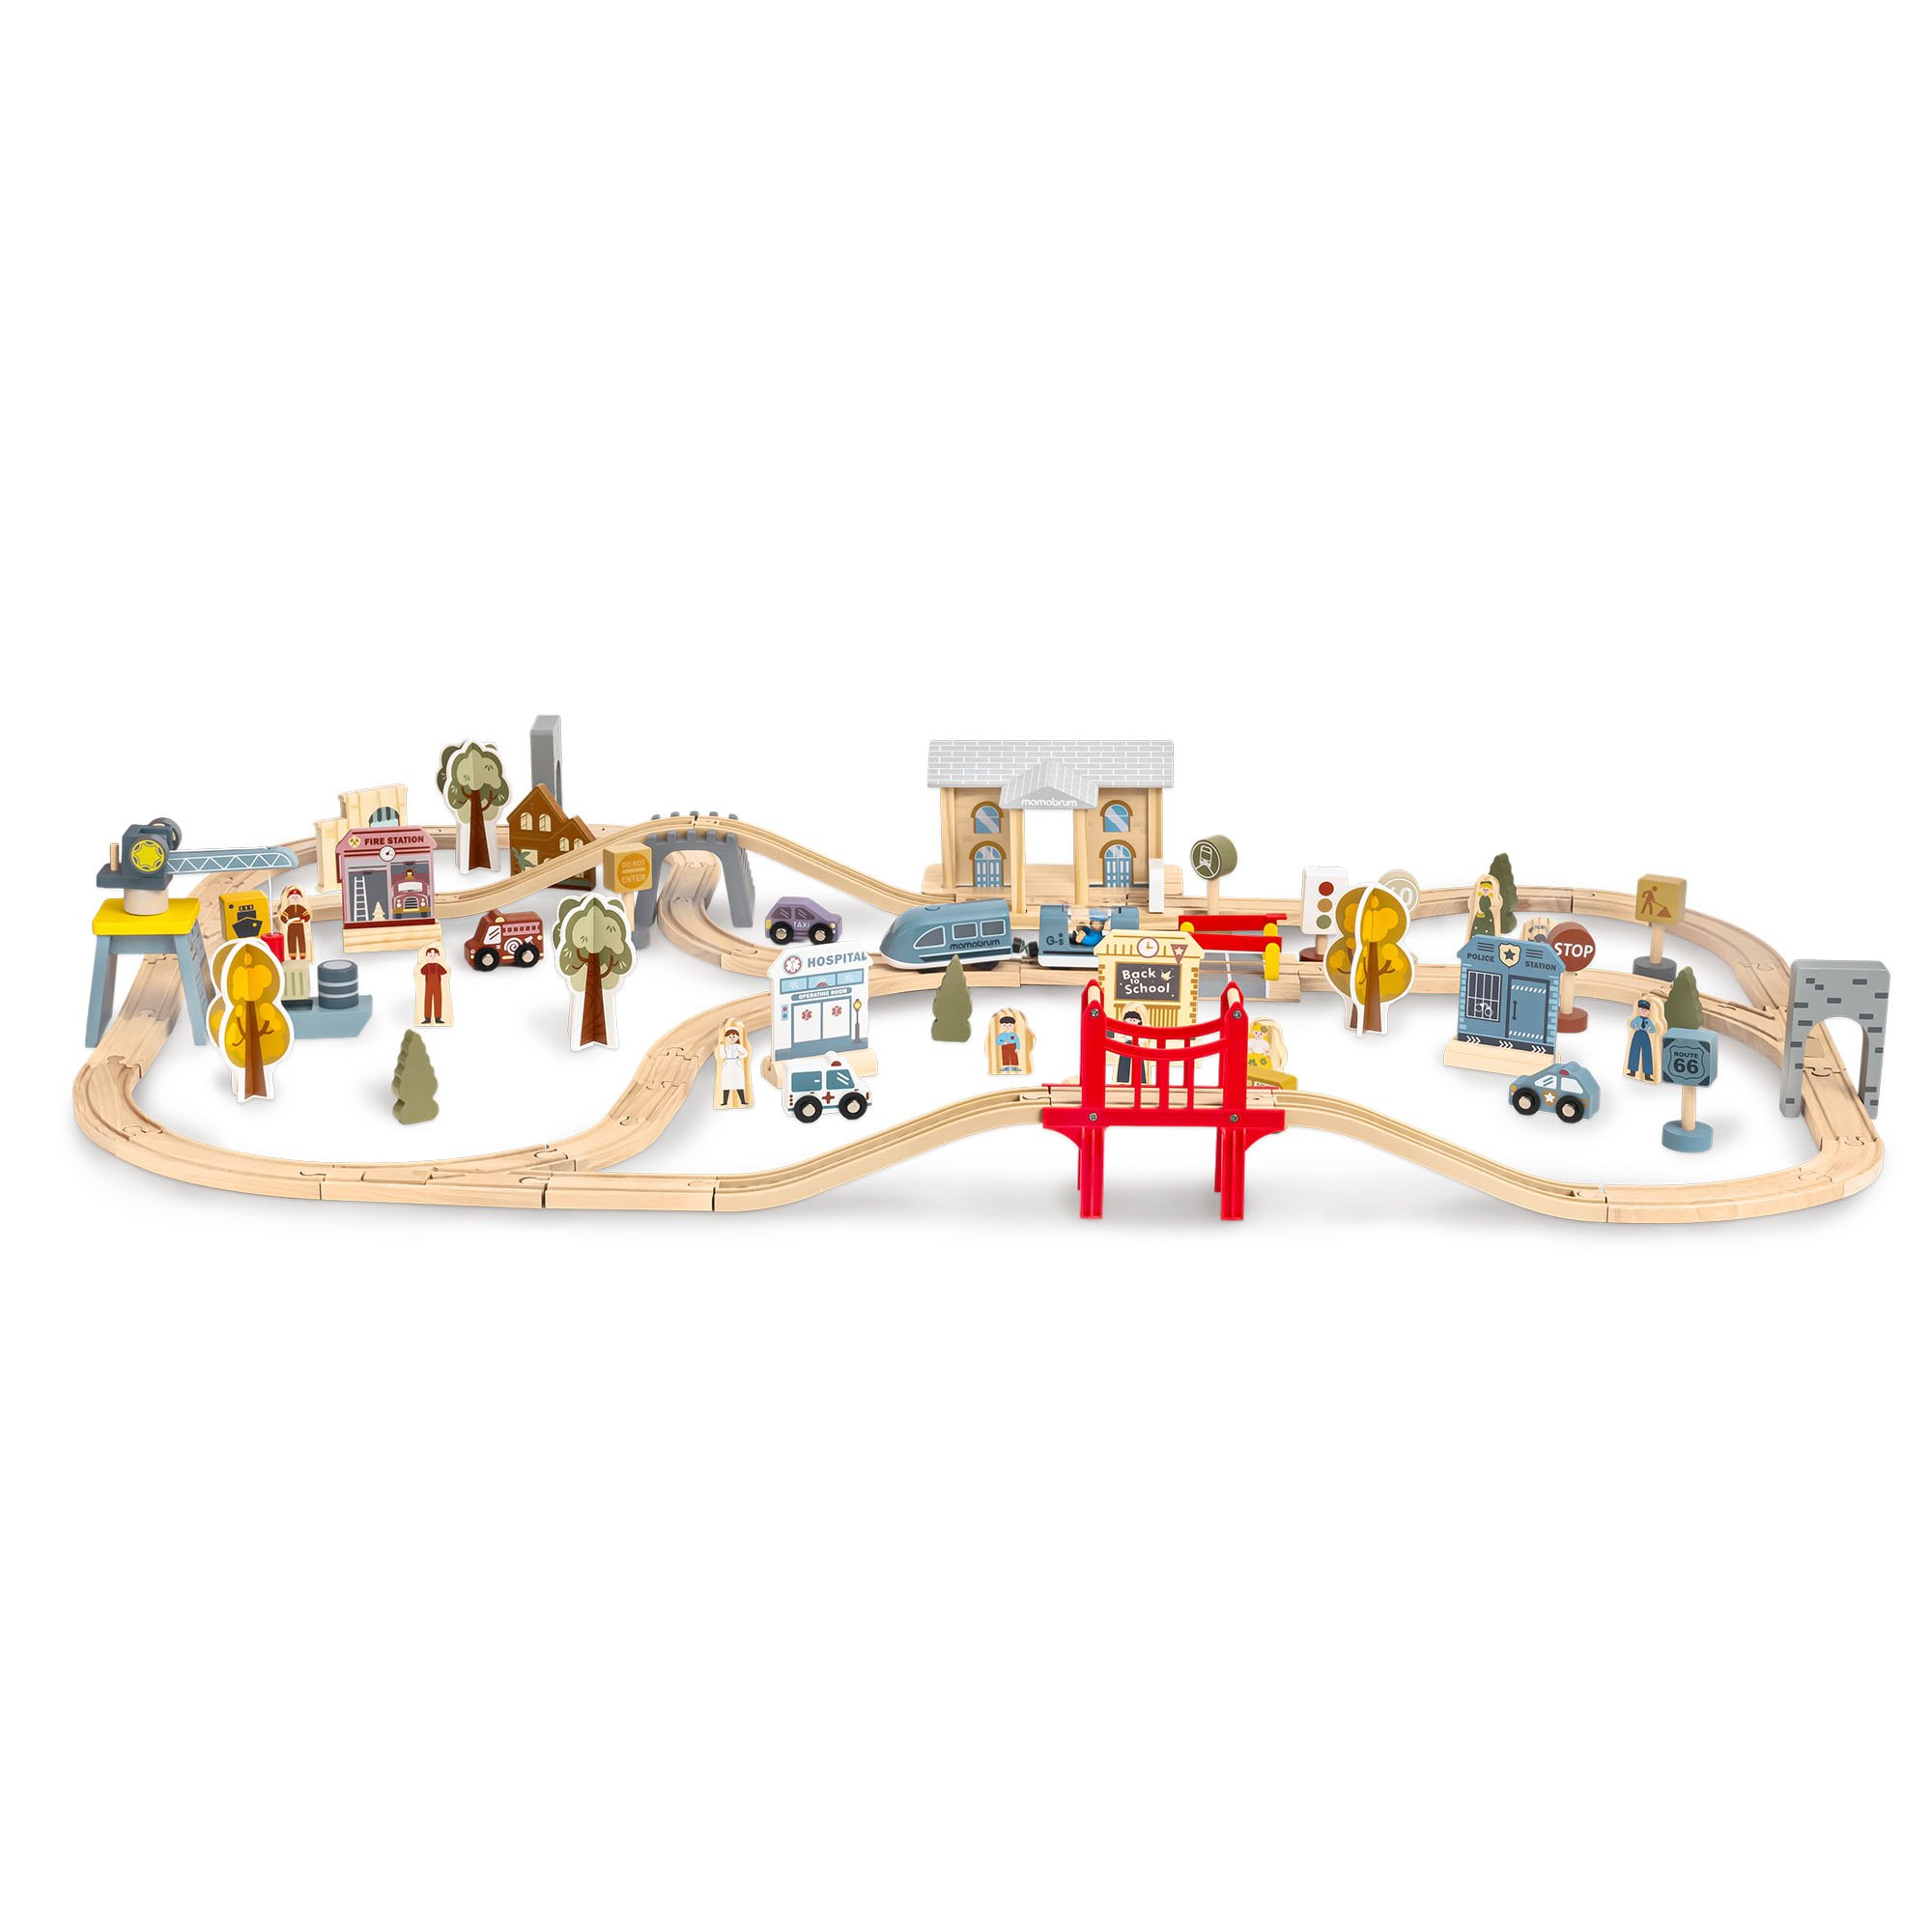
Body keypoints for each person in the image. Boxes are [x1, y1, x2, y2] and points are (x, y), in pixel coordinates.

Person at [715, 1021, 751, 1107]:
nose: (732, 1038)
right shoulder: (726, 1047)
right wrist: (721, 1047)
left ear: (737, 1037)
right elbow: (723, 1056)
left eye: (734, 1036)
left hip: (736, 1065)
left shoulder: (738, 1046)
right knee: (726, 1082)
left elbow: (746, 1053)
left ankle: (743, 1101)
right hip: (727, 1065)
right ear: (726, 1038)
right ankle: (725, 1102)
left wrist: (740, 1056)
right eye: (729, 1037)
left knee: (738, 1082)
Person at [1625, 995, 1661, 1080]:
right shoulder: (1637, 1019)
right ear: (1639, 1009)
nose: (1644, 1011)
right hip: (1637, 1034)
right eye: (1642, 1009)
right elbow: (1631, 1024)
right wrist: (1635, 1028)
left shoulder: (1648, 1021)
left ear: (1648, 1011)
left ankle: (1647, 1075)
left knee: (1647, 1053)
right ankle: (1632, 1071)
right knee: (1634, 1051)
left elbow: (1653, 1029)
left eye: (1645, 1010)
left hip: (1645, 1035)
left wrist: (1649, 1031)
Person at [415, 943, 451, 1026]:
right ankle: (427, 1018)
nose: (432, 957)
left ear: (438, 956)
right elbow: (422, 972)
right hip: (428, 986)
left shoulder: (438, 966)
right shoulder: (426, 966)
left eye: (434, 955)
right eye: (430, 955)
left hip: (437, 986)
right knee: (427, 1000)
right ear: (427, 956)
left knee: (438, 1000)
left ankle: (438, 1018)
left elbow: (445, 972)